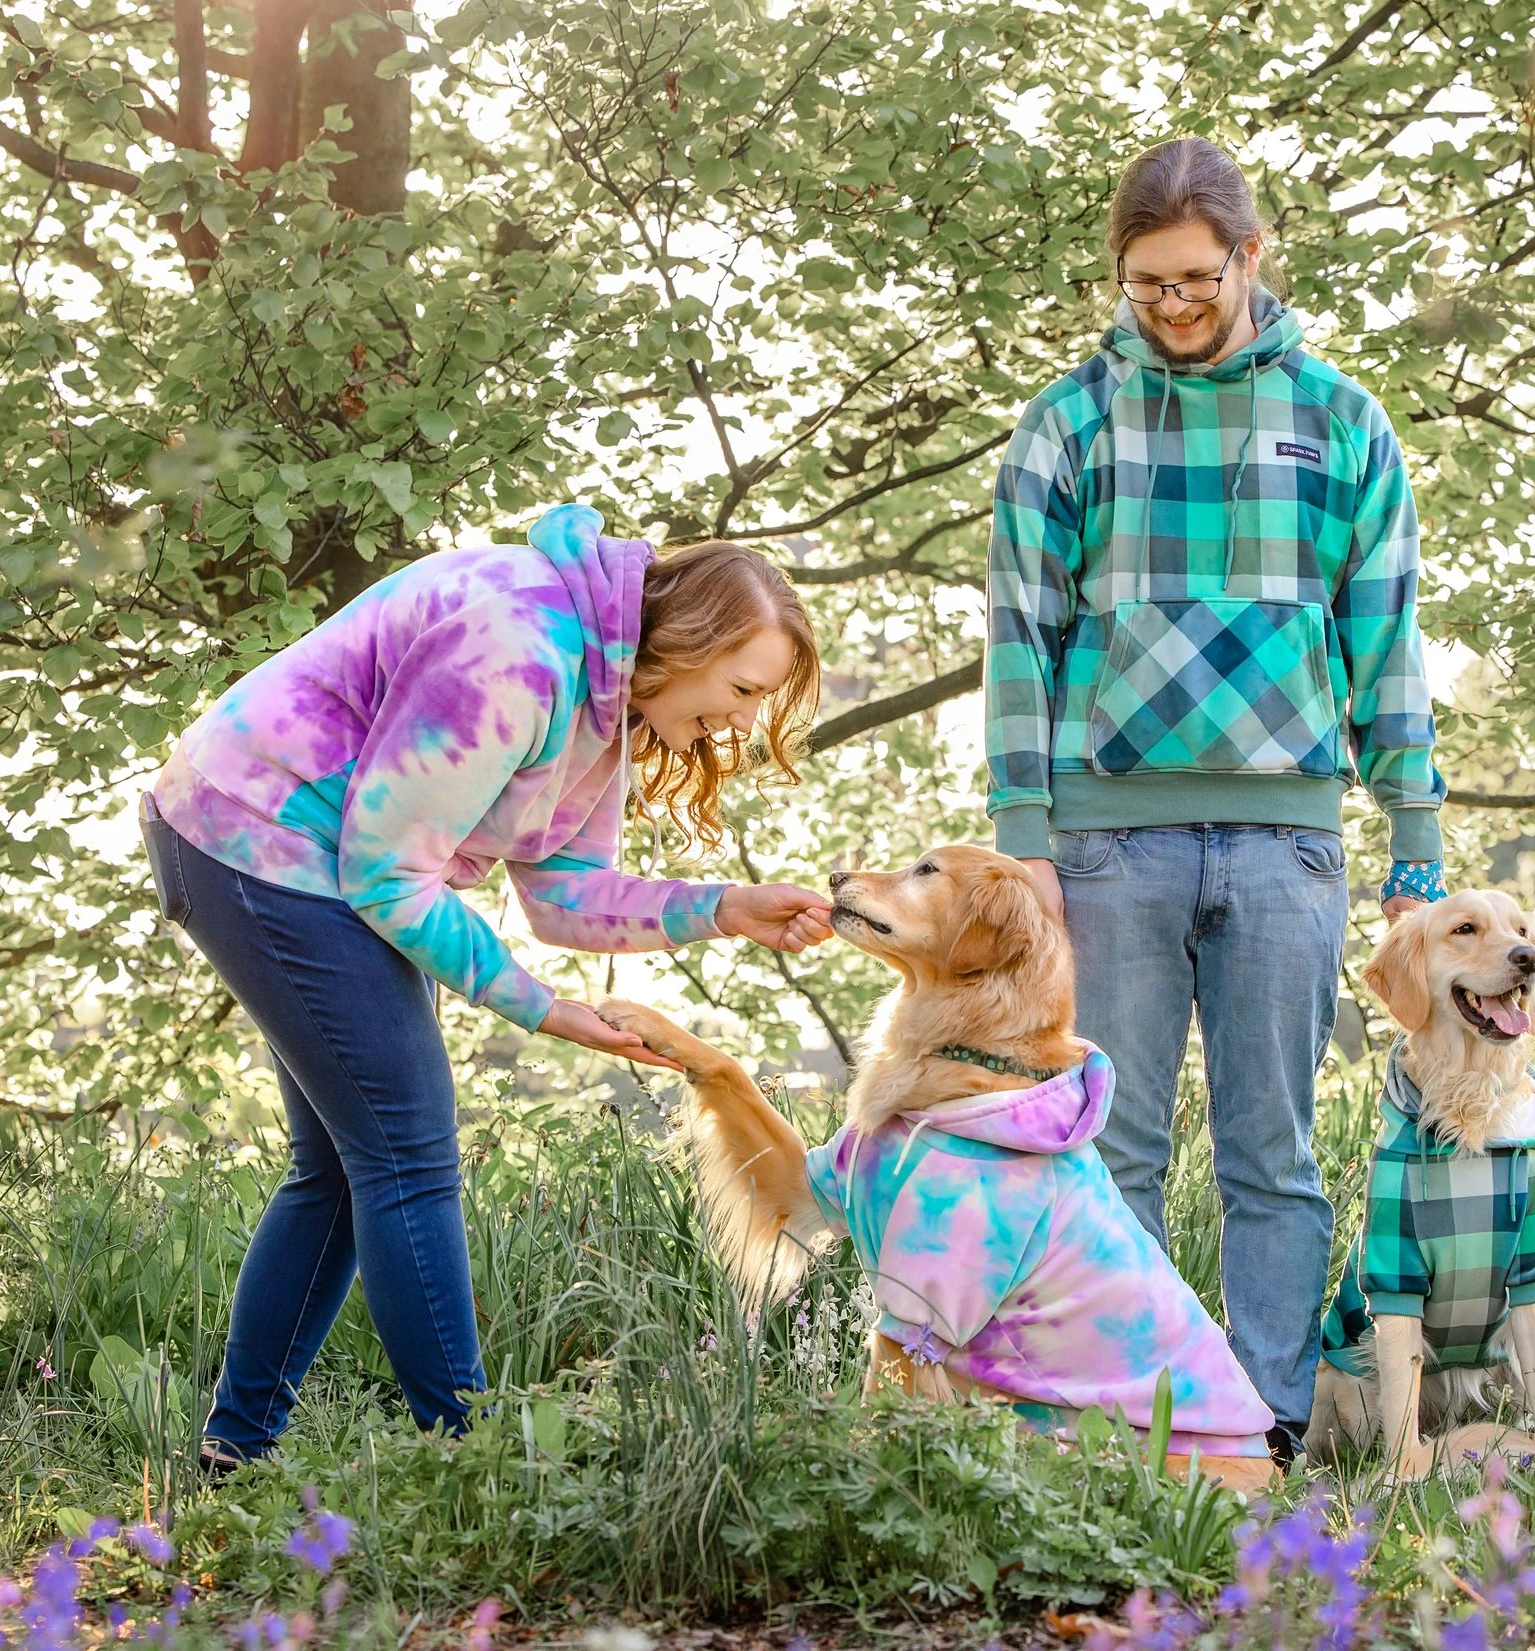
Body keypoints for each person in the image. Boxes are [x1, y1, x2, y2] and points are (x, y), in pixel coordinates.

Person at [142, 502, 834, 1467]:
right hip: (255, 837)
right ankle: (475, 1462)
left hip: (319, 861)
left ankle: (238, 1447)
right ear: (688, 639)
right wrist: (542, 1007)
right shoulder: (518, 650)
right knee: (407, 1155)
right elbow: (387, 873)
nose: (746, 721)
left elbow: (563, 895)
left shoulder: (606, 698)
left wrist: (724, 905)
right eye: (744, 687)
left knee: (353, 1163)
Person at [983, 137, 1449, 1469]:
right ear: (1118, 277)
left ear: (1253, 258)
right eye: (1146, 285)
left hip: (1289, 834)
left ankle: (1261, 1427)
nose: (1174, 306)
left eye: (1196, 277)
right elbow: (1021, 633)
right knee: (1109, 1149)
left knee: (1272, 1150)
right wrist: (1026, 845)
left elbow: (1389, 630)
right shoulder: (1066, 420)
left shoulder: (1343, 420)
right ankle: (1123, 1418)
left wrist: (1413, 822)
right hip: (1107, 837)